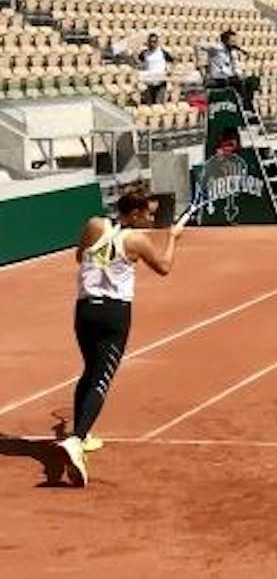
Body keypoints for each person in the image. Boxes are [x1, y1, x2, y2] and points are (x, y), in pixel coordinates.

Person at [54, 190, 188, 487]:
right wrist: (173, 239)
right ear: (136, 213)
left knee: (88, 371)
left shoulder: (94, 225)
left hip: (85, 311)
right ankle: (76, 441)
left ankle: (83, 435)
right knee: (102, 378)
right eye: (148, 214)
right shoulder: (137, 241)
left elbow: (80, 257)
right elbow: (165, 267)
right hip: (114, 316)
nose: (151, 219)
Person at [200, 30, 255, 112]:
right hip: (218, 78)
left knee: (251, 81)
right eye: (232, 41)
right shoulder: (216, 49)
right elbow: (199, 45)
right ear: (225, 41)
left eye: (235, 41)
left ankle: (247, 107)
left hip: (229, 77)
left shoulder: (232, 52)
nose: (234, 43)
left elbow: (233, 67)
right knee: (239, 83)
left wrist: (240, 74)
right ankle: (245, 107)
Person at [136, 33, 174, 105]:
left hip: (160, 82)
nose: (152, 44)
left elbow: (172, 61)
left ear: (157, 42)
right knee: (149, 104)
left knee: (158, 103)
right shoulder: (144, 53)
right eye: (151, 42)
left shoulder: (163, 52)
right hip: (149, 82)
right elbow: (138, 62)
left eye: (154, 42)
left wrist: (169, 69)